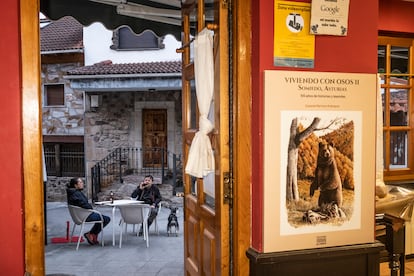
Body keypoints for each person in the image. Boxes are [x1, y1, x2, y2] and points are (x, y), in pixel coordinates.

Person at [66, 177, 111, 245]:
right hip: (85, 216)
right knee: (106, 219)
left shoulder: (72, 193)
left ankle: (92, 234)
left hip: (80, 215)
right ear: (75, 185)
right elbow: (84, 204)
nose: (82, 184)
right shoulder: (76, 194)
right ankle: (91, 234)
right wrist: (91, 208)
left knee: (101, 217)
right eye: (80, 182)